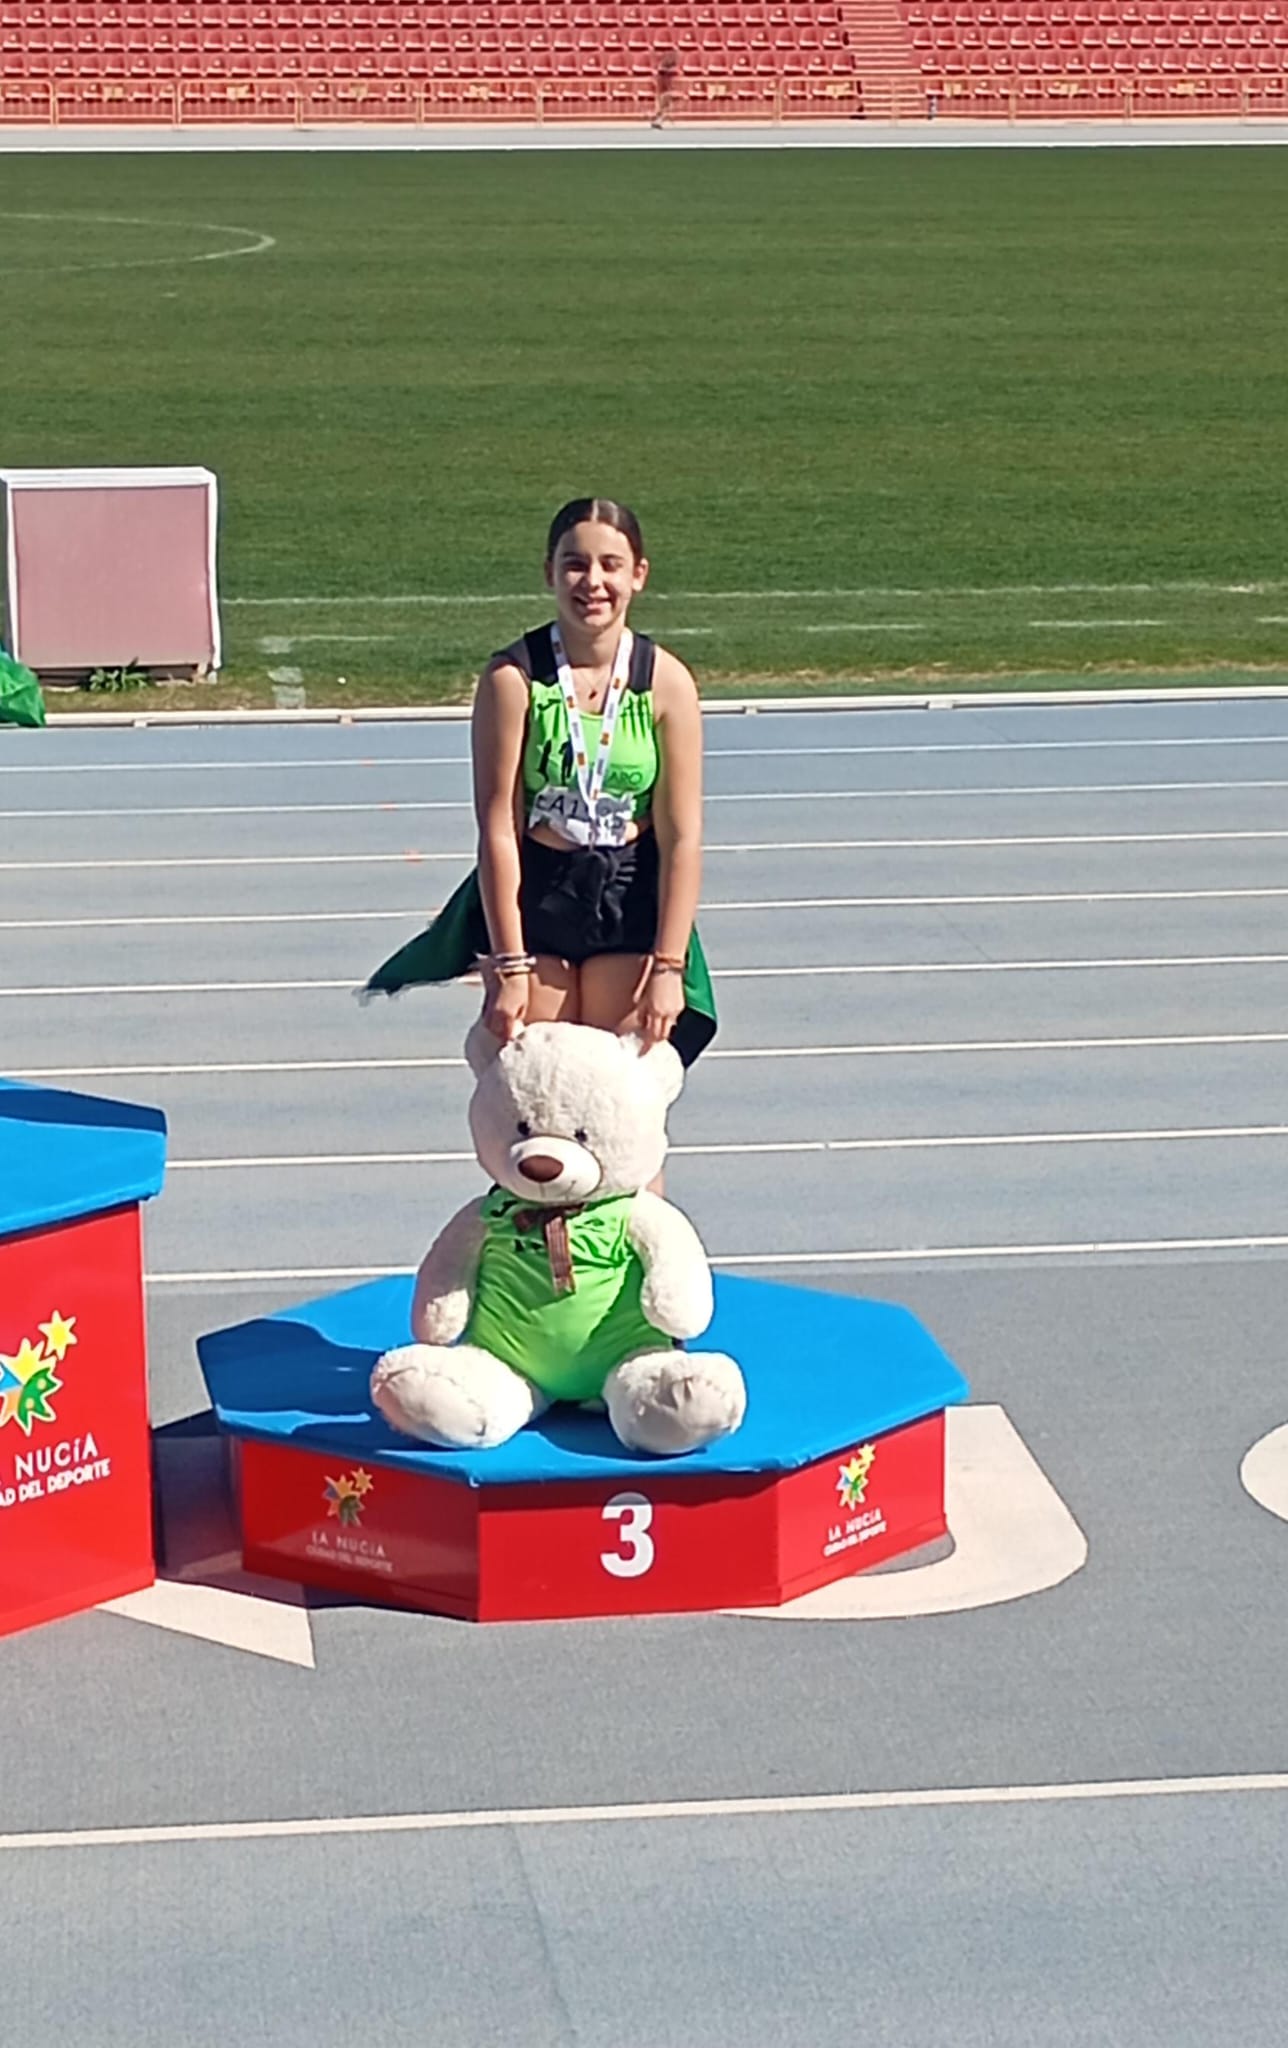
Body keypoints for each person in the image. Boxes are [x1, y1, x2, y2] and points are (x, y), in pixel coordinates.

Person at [365, 498, 716, 1066]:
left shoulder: (667, 683)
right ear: (549, 573)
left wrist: (669, 967)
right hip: (542, 891)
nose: (593, 582)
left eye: (610, 565)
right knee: (532, 1078)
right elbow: (499, 829)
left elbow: (682, 837)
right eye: (575, 564)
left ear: (638, 575)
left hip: (630, 895)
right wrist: (509, 963)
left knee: (620, 1089)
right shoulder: (513, 678)